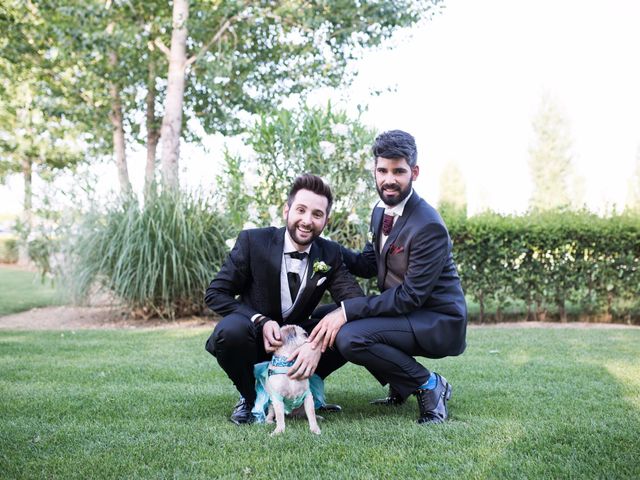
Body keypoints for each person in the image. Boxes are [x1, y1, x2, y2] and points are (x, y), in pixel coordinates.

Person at [309, 130, 467, 425]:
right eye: (382, 170)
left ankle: (430, 385)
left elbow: (410, 296)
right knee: (315, 318)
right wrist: (324, 245)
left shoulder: (428, 226)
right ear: (375, 170)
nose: (389, 179)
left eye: (398, 171)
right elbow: (369, 264)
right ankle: (306, 383)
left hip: (436, 319)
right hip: (404, 313)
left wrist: (346, 311)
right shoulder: (380, 211)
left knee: (350, 336)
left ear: (414, 172)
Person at [205, 173, 363, 425]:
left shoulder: (329, 253)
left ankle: (300, 393)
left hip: (297, 344)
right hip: (254, 340)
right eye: (301, 210)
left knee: (349, 327)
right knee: (230, 331)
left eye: (317, 214)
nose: (307, 221)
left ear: (326, 220)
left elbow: (355, 300)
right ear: (286, 210)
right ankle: (249, 398)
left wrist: (315, 344)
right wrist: (259, 319)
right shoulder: (253, 241)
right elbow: (215, 293)